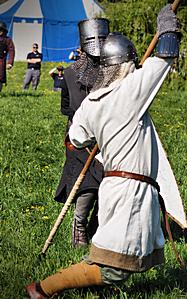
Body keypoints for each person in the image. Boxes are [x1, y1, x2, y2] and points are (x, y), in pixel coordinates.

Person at [26, 5, 187, 298]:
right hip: (129, 192)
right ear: (126, 64)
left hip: (115, 187)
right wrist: (167, 24)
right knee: (113, 268)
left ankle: (89, 287)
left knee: (121, 258)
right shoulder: (131, 91)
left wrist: (106, 130)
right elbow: (165, 57)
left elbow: (74, 139)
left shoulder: (91, 103)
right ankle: (43, 289)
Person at [54, 18, 109, 247]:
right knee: (87, 184)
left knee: (109, 185)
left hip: (109, 135)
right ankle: (79, 227)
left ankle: (99, 226)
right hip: (80, 137)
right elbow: (67, 107)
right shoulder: (70, 73)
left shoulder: (114, 70)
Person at [0, 21, 15, 92]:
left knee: (0, 78)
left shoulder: (7, 40)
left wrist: (10, 63)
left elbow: (11, 51)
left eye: (1, 29)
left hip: (1, 62)